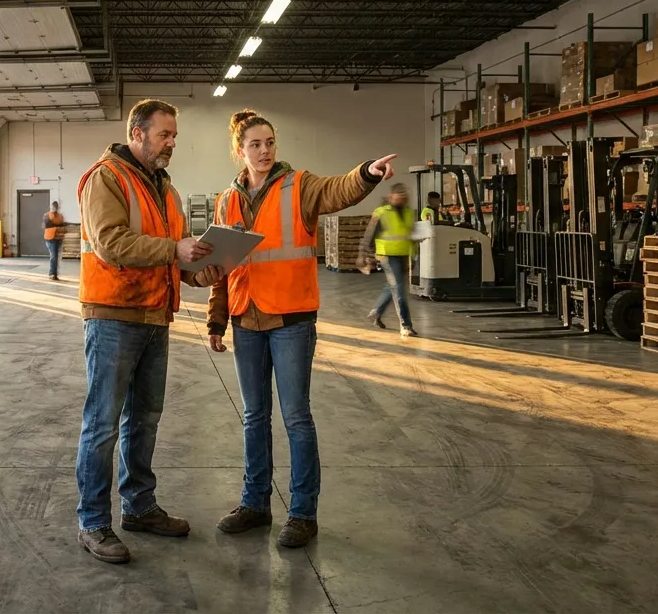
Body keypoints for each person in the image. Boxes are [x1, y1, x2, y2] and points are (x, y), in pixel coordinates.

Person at [206, 110, 396, 549]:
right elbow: (222, 267)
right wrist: (217, 318)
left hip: (291, 319)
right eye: (255, 144)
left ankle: (302, 513)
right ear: (239, 150)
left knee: (295, 418)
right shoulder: (226, 201)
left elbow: (338, 190)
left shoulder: (299, 186)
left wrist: (366, 173)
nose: (265, 150)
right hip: (246, 319)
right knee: (254, 417)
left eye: (270, 142)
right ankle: (254, 505)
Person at [74, 98, 225, 565]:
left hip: (155, 318)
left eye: (174, 136)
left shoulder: (166, 189)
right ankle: (93, 521)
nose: (172, 143)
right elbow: (111, 242)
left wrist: (202, 272)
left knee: (143, 421)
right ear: (136, 133)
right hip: (114, 316)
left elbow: (172, 256)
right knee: (102, 425)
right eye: (165, 135)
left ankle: (138, 507)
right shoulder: (106, 178)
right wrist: (174, 250)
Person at [360, 183, 418, 337]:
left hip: (403, 254)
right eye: (400, 195)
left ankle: (376, 312)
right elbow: (369, 235)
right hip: (387, 255)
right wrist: (364, 255)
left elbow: (410, 236)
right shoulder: (381, 212)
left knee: (392, 286)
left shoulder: (409, 213)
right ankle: (406, 325)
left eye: (405, 196)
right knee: (399, 289)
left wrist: (412, 256)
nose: (403, 199)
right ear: (392, 196)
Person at [43, 201, 66, 281]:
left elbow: (62, 226)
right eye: (53, 207)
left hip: (58, 238)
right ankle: (52, 273)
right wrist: (57, 226)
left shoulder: (60, 216)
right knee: (53, 256)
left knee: (56, 257)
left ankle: (55, 274)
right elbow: (47, 225)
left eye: (55, 207)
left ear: (57, 208)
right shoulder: (46, 215)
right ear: (51, 207)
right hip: (50, 239)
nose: (54, 208)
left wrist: (56, 226)